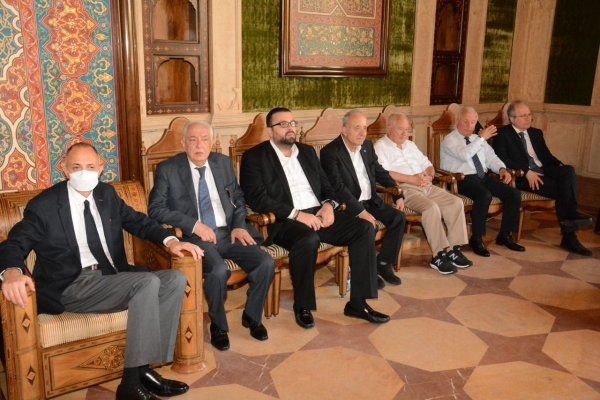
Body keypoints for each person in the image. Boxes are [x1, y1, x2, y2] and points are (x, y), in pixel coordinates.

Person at [0, 143, 203, 400]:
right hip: (72, 285)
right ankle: (130, 384)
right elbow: (15, 242)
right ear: (64, 169)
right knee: (146, 283)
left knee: (175, 278)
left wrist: (171, 241)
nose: (83, 173)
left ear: (100, 168)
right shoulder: (45, 205)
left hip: (111, 277)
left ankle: (144, 370)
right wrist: (11, 271)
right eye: (76, 167)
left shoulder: (106, 194)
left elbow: (139, 222)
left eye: (90, 166)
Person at [240, 107, 390, 329]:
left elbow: (327, 186)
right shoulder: (254, 157)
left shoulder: (307, 152)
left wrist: (329, 205)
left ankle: (358, 303)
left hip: (318, 214)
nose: (290, 128)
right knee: (307, 238)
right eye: (283, 124)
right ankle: (303, 305)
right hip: (285, 221)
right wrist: (297, 215)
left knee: (364, 228)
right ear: (270, 131)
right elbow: (257, 199)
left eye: (292, 123)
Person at [148, 121, 275, 351]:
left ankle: (252, 316)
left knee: (265, 262)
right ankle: (218, 325)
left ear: (212, 142)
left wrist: (239, 225)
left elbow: (238, 197)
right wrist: (194, 225)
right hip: (195, 238)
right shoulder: (168, 168)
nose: (199, 145)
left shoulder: (222, 163)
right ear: (183, 143)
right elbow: (155, 209)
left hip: (228, 233)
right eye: (193, 139)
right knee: (218, 271)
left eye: (204, 139)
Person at [374, 113, 472, 274]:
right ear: (389, 128)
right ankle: (438, 255)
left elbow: (427, 164)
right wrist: (412, 179)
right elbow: (385, 173)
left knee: (456, 202)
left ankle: (453, 250)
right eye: (400, 129)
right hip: (405, 188)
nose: (405, 133)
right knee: (431, 208)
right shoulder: (380, 147)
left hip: (426, 185)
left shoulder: (410, 145)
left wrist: (429, 175)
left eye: (406, 129)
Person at [493, 100, 593, 256]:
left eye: (529, 114)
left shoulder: (536, 133)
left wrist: (559, 165)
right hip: (523, 177)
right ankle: (570, 236)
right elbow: (502, 159)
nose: (528, 118)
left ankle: (570, 216)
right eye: (523, 115)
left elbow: (546, 156)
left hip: (543, 170)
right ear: (512, 119)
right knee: (562, 190)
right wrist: (526, 171)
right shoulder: (503, 134)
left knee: (568, 170)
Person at [320, 109, 404, 287]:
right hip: (348, 207)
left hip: (371, 202)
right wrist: (360, 212)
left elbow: (380, 172)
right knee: (367, 227)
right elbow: (338, 188)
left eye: (365, 128)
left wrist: (397, 193)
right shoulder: (331, 152)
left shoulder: (367, 146)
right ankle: (366, 272)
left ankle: (382, 263)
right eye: (357, 128)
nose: (362, 133)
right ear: (344, 129)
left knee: (398, 217)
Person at [441, 107, 525, 257]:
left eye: (473, 122)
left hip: (482, 177)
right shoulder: (449, 140)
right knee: (484, 195)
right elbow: (464, 155)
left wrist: (501, 169)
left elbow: (492, 158)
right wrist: (480, 139)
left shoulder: (477, 139)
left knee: (514, 193)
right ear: (457, 121)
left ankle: (505, 235)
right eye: (465, 121)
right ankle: (476, 238)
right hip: (459, 179)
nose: (469, 126)